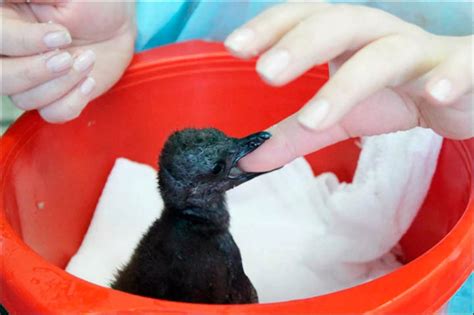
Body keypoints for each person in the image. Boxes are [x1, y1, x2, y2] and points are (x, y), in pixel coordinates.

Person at [0, 1, 472, 312]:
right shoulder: (205, 251)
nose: (244, 156)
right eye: (222, 167)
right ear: (192, 193)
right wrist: (124, 16)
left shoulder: (182, 239)